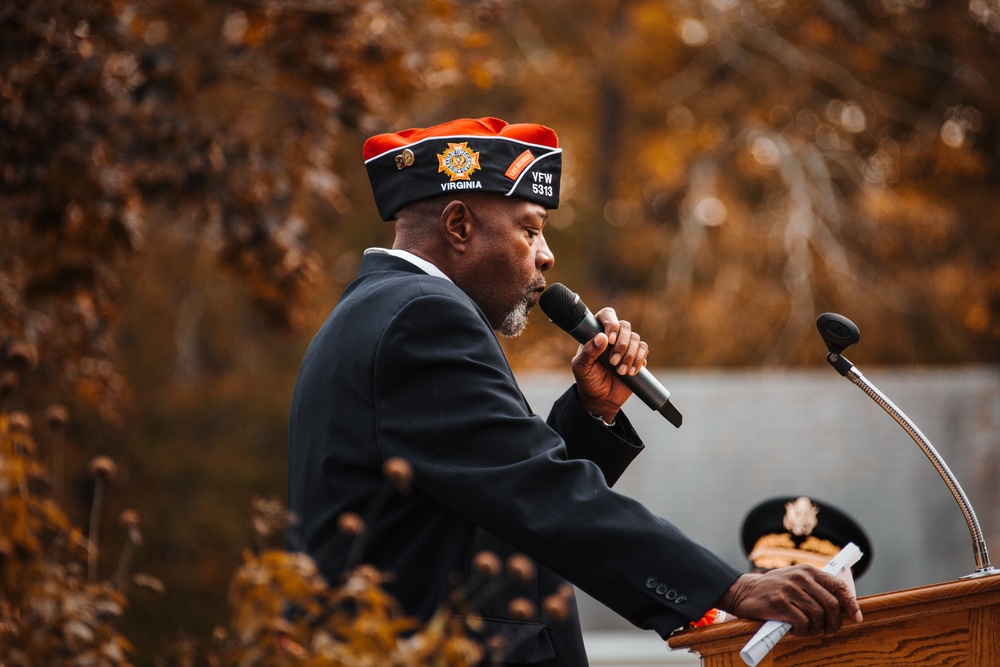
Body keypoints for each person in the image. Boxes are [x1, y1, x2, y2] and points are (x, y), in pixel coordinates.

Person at [286, 117, 861, 666]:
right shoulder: (422, 318)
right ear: (459, 226)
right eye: (531, 230)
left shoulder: (377, 311)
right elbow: (539, 494)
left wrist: (592, 412)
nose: (546, 254)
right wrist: (731, 588)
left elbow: (496, 503)